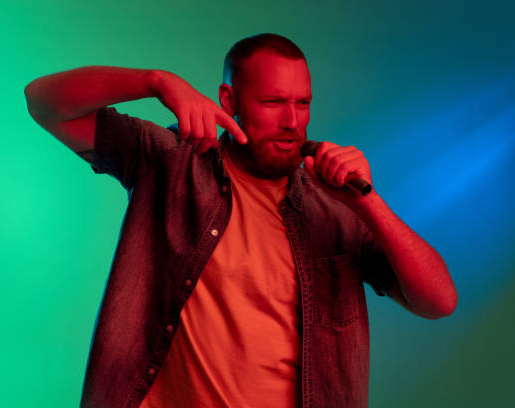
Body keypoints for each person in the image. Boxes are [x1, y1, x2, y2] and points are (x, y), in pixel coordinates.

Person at [24, 33, 457, 408]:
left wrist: (368, 203)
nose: (291, 122)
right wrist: (155, 81)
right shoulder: (170, 161)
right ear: (229, 100)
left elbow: (439, 302)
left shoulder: (336, 209)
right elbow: (43, 102)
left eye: (302, 103)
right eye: (272, 102)